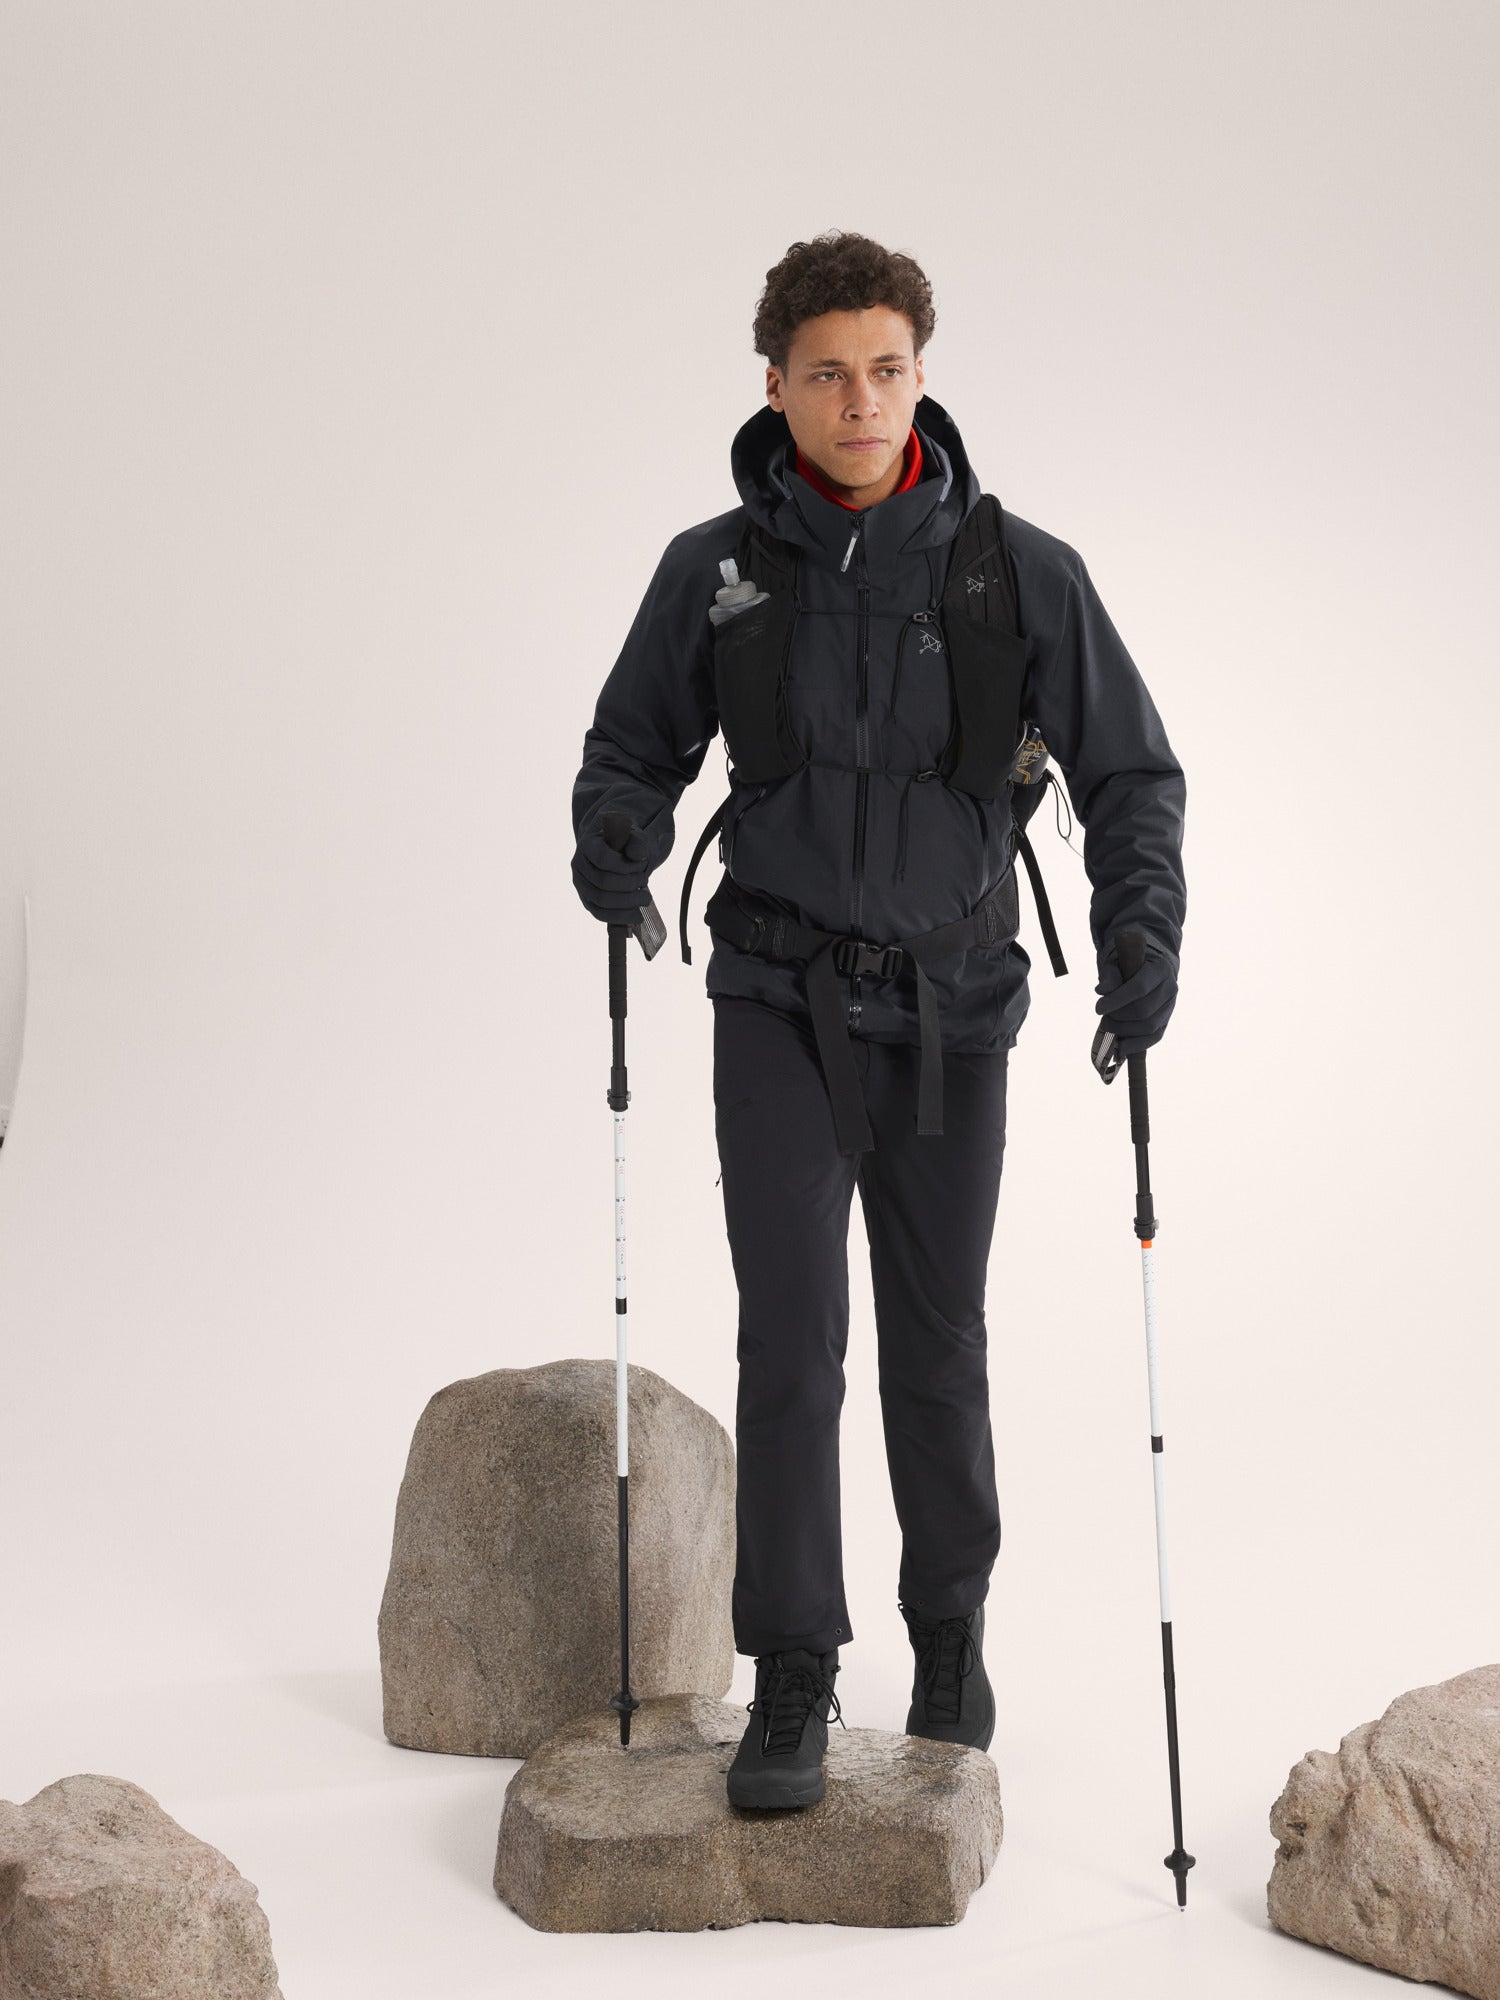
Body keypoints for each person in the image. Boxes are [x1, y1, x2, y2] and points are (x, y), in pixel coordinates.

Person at [569, 231, 1186, 1811]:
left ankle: (950, 1632)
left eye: (888, 370)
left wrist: (1142, 934)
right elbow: (632, 749)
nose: (861, 402)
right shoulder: (717, 571)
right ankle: (792, 1669)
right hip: (775, 1000)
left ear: (922, 374)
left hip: (952, 1010)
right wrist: (615, 842)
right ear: (775, 385)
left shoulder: (1017, 572)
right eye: (829, 374)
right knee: (790, 1343)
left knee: (938, 1342)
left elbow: (1130, 775)